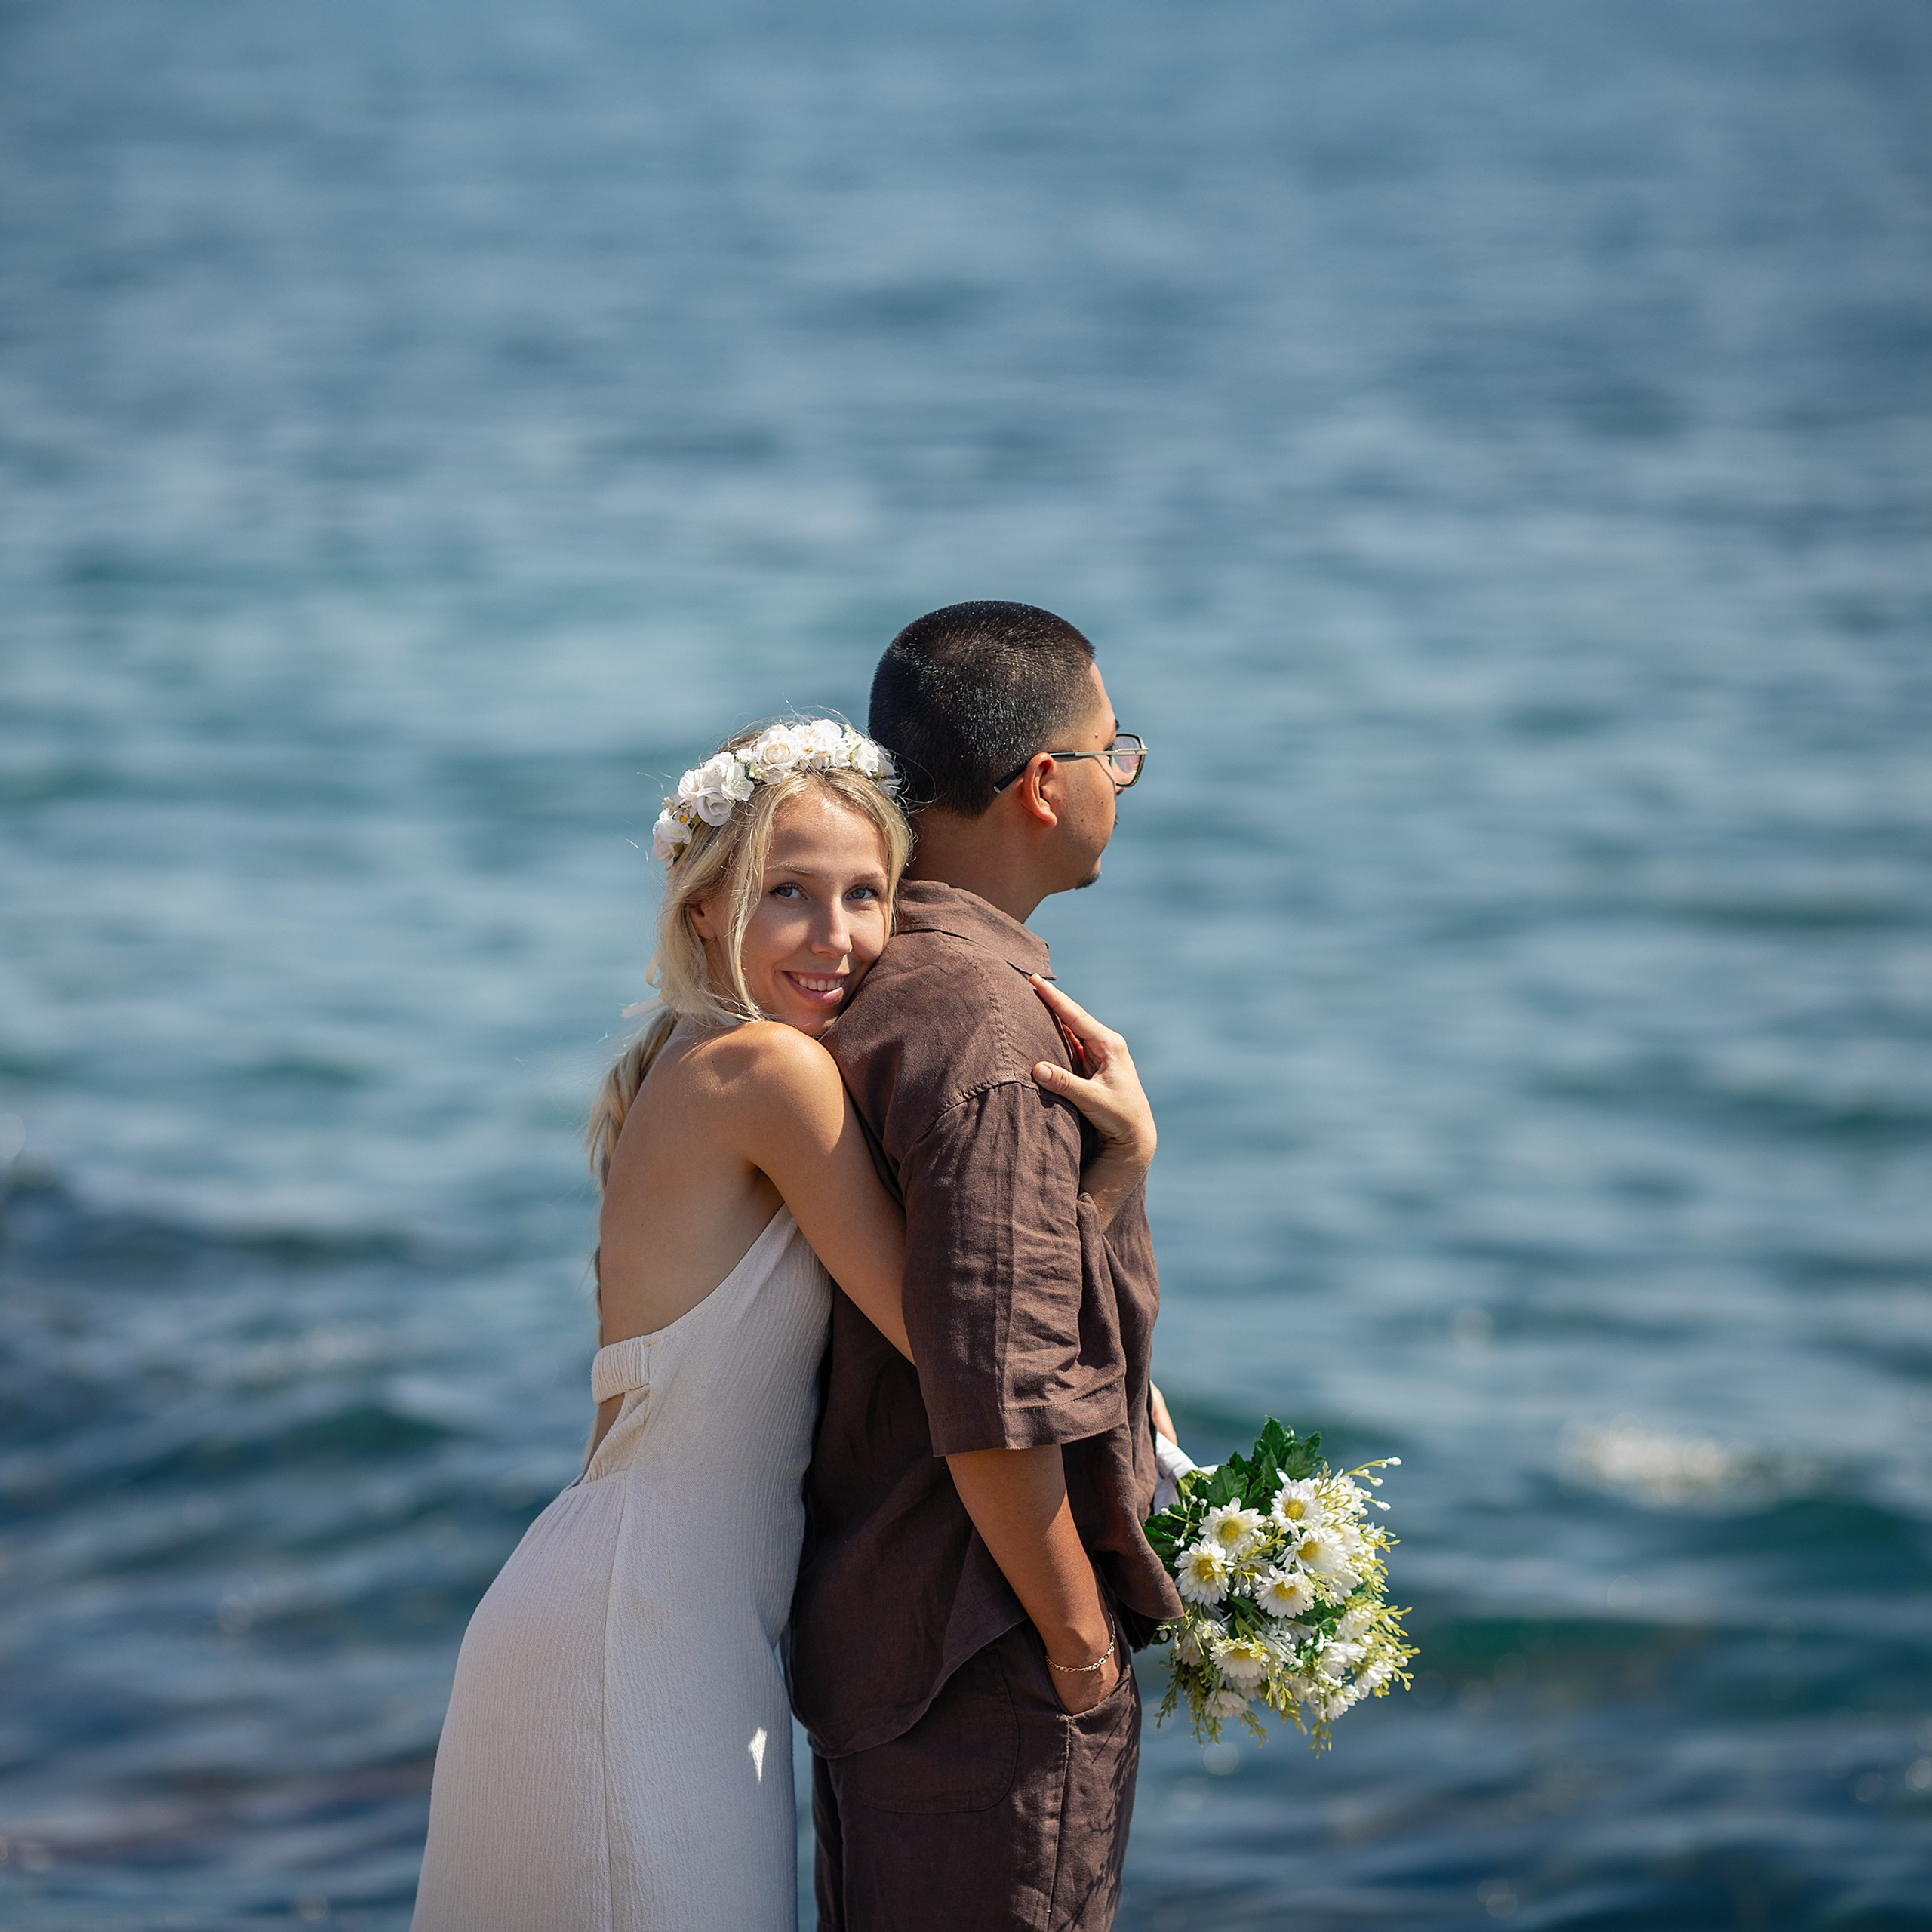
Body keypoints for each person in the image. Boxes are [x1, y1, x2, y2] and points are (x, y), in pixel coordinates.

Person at [410, 715, 1158, 1932]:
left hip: (678, 1624)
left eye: (869, 895)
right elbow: (960, 1340)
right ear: (706, 908)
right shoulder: (769, 1074)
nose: (840, 938)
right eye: (789, 894)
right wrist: (1121, 1168)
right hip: (636, 1633)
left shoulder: (692, 1054)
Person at [794, 603, 1184, 1932]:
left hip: (891, 1631)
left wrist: (1115, 1176)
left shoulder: (880, 974)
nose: (1118, 778)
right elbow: (1000, 1392)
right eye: (1111, 751)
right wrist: (1084, 1658)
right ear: (1042, 783)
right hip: (982, 1646)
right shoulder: (982, 1025)